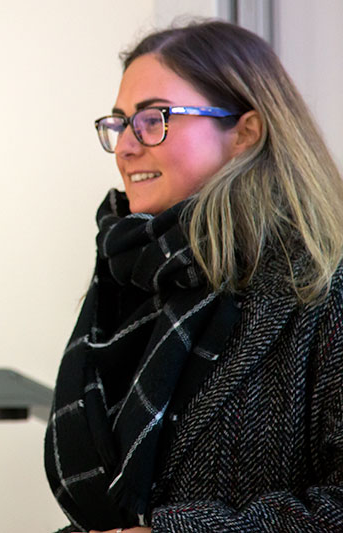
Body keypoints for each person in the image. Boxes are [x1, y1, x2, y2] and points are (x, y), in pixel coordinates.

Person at [44, 20, 343, 533]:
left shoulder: (320, 285)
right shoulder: (124, 284)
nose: (126, 148)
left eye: (154, 119)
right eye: (120, 123)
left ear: (245, 133)